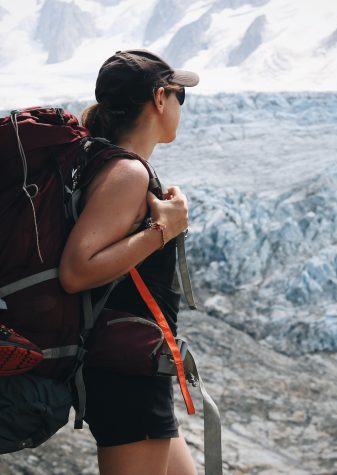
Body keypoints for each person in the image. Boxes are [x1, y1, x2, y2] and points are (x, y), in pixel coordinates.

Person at [59, 49, 200, 475]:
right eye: (180, 97)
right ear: (160, 98)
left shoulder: (110, 164)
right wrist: (163, 231)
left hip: (136, 368)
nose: (180, 107)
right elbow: (76, 271)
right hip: (125, 377)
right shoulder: (127, 173)